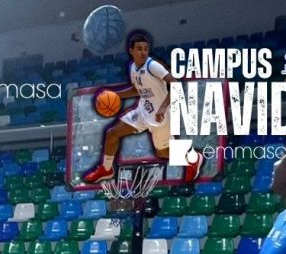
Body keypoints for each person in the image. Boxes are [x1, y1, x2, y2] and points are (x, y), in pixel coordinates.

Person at [83, 30, 204, 186]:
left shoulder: (153, 66)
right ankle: (106, 169)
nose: (143, 52)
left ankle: (193, 158)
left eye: (146, 49)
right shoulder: (132, 67)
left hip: (161, 115)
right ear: (131, 50)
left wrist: (162, 108)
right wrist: (115, 95)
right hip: (143, 111)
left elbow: (176, 84)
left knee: (162, 152)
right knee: (112, 133)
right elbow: (137, 90)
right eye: (139, 49)